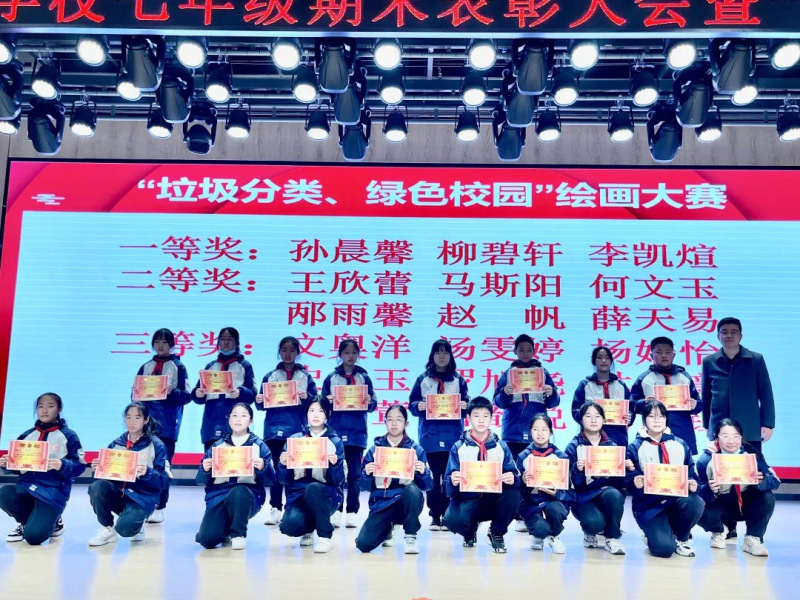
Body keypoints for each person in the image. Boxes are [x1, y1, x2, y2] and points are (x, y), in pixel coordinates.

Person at [493, 334, 559, 532]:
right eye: (521, 349)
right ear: (515, 351)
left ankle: (535, 511)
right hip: (512, 432)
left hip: (536, 433)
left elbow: (554, 402)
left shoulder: (542, 372)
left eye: (529, 350)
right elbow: (497, 402)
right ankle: (518, 514)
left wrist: (551, 392)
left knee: (536, 473)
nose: (525, 353)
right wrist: (505, 392)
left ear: (534, 351)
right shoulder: (508, 373)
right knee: (517, 475)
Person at [0, 393, 85, 545]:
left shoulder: (69, 436)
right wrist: (7, 463)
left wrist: (62, 464)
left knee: (33, 538)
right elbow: (18, 468)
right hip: (26, 487)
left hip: (52, 492)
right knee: (4, 494)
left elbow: (79, 466)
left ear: (59, 409)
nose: (44, 410)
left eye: (50, 406)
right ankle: (26, 522)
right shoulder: (27, 435)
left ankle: (54, 520)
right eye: (40, 407)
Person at [626, 400, 704, 558]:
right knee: (664, 550)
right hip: (650, 506)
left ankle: (681, 538)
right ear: (644, 419)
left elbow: (691, 471)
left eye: (661, 416)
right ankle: (653, 535)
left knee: (696, 502)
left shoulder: (680, 444)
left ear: (666, 419)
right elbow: (627, 478)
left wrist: (694, 483)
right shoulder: (635, 446)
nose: (657, 420)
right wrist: (634, 481)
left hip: (675, 501)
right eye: (652, 416)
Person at [443, 396, 521, 554]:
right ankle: (469, 530)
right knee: (452, 521)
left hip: (493, 499)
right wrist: (453, 480)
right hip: (468, 498)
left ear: (492, 418)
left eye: (485, 416)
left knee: (514, 494)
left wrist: (512, 478)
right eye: (476, 415)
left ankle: (496, 533)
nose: (481, 420)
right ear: (468, 418)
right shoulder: (458, 447)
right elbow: (448, 486)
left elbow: (515, 474)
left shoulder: (501, 446)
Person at [87, 402, 169, 546]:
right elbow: (106, 479)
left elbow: (164, 481)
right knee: (97, 486)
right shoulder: (117, 443)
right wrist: (99, 468)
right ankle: (108, 528)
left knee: (125, 529)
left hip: (142, 497)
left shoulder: (156, 445)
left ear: (146, 420)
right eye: (128, 417)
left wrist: (147, 472)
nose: (131, 422)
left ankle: (137, 523)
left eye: (137, 417)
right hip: (120, 493)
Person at [408, 339, 469, 531]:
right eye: (438, 352)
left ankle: (449, 514)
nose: (441, 356)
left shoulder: (458, 380)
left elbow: (467, 405)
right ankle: (435, 515)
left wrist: (465, 406)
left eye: (445, 352)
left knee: (451, 477)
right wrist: (418, 406)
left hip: (453, 436)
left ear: (451, 356)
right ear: (432, 356)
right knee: (434, 478)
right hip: (430, 436)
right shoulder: (422, 379)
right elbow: (412, 404)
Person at [695, 418, 780, 557]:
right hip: (720, 507)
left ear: (741, 438)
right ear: (716, 438)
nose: (731, 441)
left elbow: (776, 480)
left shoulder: (752, 455)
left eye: (736, 436)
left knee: (767, 497)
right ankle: (719, 530)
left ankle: (753, 538)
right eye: (725, 436)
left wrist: (763, 479)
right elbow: (697, 491)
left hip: (746, 505)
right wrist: (708, 489)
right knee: (695, 504)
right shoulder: (706, 460)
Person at [355, 405, 433, 554]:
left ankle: (410, 536)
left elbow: (428, 485)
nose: (394, 424)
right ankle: (388, 528)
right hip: (382, 503)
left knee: (412, 490)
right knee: (363, 544)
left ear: (406, 423)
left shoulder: (416, 450)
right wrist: (366, 473)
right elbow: (364, 486)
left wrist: (423, 472)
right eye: (390, 420)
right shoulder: (375, 449)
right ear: (384, 422)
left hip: (405, 501)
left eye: (399, 419)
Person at [195, 403, 275, 550]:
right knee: (207, 540)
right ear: (229, 419)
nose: (238, 419)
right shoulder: (217, 446)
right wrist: (204, 470)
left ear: (250, 420)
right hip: (219, 495)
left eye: (243, 416)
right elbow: (200, 481)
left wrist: (263, 468)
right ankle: (224, 530)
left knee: (239, 491)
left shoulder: (259, 446)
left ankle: (238, 535)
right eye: (234, 415)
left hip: (248, 495)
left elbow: (270, 480)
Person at [257, 336, 318, 526]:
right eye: (284, 350)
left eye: (292, 350)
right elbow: (260, 405)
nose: (288, 354)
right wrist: (259, 400)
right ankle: (275, 508)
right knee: (276, 471)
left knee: (293, 472)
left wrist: (307, 397)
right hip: (273, 431)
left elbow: (316, 403)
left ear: (298, 353)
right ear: (279, 352)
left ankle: (292, 507)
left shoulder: (305, 376)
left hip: (296, 430)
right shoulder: (271, 376)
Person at [134, 328, 192, 524]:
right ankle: (143, 503)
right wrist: (135, 393)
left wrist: (171, 392)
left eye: (165, 342)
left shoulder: (178, 367)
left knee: (162, 465)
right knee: (143, 463)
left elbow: (187, 396)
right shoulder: (146, 366)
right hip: (145, 424)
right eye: (157, 342)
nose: (160, 345)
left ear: (172, 345)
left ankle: (160, 506)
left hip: (167, 424)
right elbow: (135, 397)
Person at [321, 339, 378, 529]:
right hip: (336, 433)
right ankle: (336, 510)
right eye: (346, 352)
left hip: (357, 433)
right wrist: (327, 401)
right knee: (335, 473)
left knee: (354, 475)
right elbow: (321, 405)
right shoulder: (331, 378)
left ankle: (352, 511)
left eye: (354, 353)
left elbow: (373, 405)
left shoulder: (364, 377)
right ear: (340, 355)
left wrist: (369, 401)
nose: (350, 356)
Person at [277, 396, 345, 554]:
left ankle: (325, 537)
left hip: (326, 494)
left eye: (320, 411)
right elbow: (283, 479)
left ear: (327, 414)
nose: (315, 415)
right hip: (298, 494)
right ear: (306, 413)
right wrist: (283, 464)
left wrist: (335, 464)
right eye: (311, 410)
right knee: (289, 526)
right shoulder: (295, 440)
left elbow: (339, 480)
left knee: (314, 488)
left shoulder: (334, 441)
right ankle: (308, 529)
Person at [565, 402, 630, 555]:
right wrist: (578, 470)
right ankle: (590, 531)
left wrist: (625, 469)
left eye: (597, 416)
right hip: (584, 498)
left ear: (603, 420)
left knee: (613, 494)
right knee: (594, 524)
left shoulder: (613, 447)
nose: (593, 420)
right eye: (588, 416)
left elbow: (620, 484)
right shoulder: (573, 447)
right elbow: (570, 484)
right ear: (581, 420)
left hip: (606, 493)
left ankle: (612, 537)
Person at [702, 318, 775, 454]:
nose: (729, 335)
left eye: (734, 332)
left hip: (749, 427)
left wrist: (767, 424)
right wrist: (707, 426)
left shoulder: (755, 360)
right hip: (720, 428)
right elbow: (706, 397)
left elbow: (766, 394)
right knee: (720, 465)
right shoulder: (709, 361)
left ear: (740, 336)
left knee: (752, 465)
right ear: (718, 336)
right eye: (724, 332)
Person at [630, 336, 702, 455]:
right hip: (652, 434)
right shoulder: (644, 378)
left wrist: (695, 405)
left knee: (683, 464)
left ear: (673, 355)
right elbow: (632, 404)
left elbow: (699, 403)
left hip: (682, 431)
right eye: (659, 352)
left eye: (668, 352)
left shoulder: (684, 377)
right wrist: (644, 403)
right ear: (651, 355)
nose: (664, 355)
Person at [192, 327, 257, 450]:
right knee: (211, 459)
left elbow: (252, 395)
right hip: (211, 423)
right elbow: (197, 395)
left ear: (236, 342)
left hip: (236, 424)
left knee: (235, 459)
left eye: (230, 339)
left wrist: (241, 393)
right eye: (222, 339)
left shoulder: (244, 365)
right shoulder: (211, 366)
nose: (226, 342)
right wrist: (198, 393)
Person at [516, 414, 571, 554]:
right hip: (531, 502)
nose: (540, 434)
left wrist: (557, 493)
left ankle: (554, 535)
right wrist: (523, 482)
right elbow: (517, 491)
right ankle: (538, 534)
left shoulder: (561, 457)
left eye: (544, 429)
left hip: (553, 500)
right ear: (530, 432)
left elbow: (569, 489)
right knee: (540, 529)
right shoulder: (523, 456)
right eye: (535, 429)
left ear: (551, 432)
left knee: (556, 510)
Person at [572, 346, 633, 448]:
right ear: (593, 361)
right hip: (592, 436)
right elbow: (575, 410)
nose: (603, 361)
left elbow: (630, 407)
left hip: (618, 436)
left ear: (611, 361)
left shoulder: (621, 385)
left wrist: (629, 416)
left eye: (607, 358)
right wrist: (589, 419)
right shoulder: (585, 385)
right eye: (599, 357)